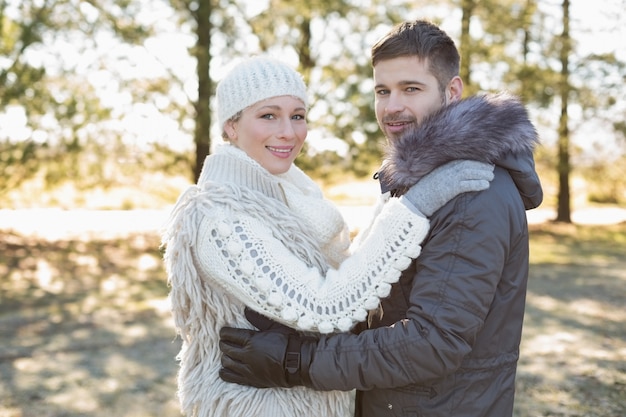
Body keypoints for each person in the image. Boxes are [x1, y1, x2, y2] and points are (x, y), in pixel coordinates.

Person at [218, 20, 544, 417]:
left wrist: (296, 361)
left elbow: (432, 343)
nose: (392, 107)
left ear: (451, 91)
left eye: (411, 89)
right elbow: (385, 306)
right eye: (382, 91)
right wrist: (297, 328)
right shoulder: (424, 182)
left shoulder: (470, 191)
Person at [161, 55, 494, 417]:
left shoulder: (291, 195)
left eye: (298, 115)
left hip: (311, 403)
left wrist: (390, 203)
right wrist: (414, 205)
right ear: (231, 126)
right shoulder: (217, 217)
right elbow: (326, 304)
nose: (288, 132)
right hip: (258, 406)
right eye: (268, 115)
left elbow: (344, 271)